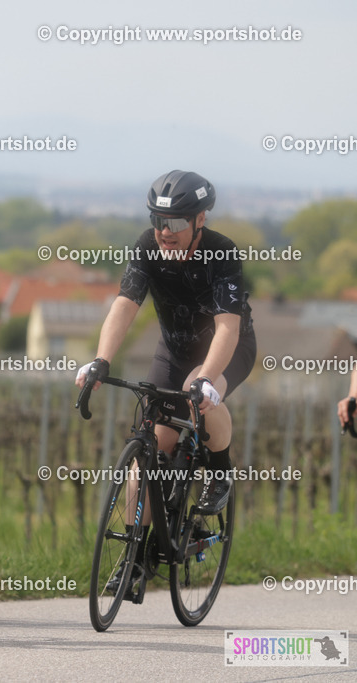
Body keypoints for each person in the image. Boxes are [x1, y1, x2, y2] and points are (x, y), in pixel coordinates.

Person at [74, 170, 255, 588]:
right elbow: (125, 304)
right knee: (152, 447)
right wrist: (101, 360)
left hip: (227, 348)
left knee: (201, 397)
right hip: (173, 350)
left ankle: (221, 470)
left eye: (174, 224)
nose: (164, 232)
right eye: (157, 221)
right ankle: (136, 554)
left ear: (199, 221)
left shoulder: (222, 253)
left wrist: (207, 377)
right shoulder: (146, 247)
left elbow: (227, 328)